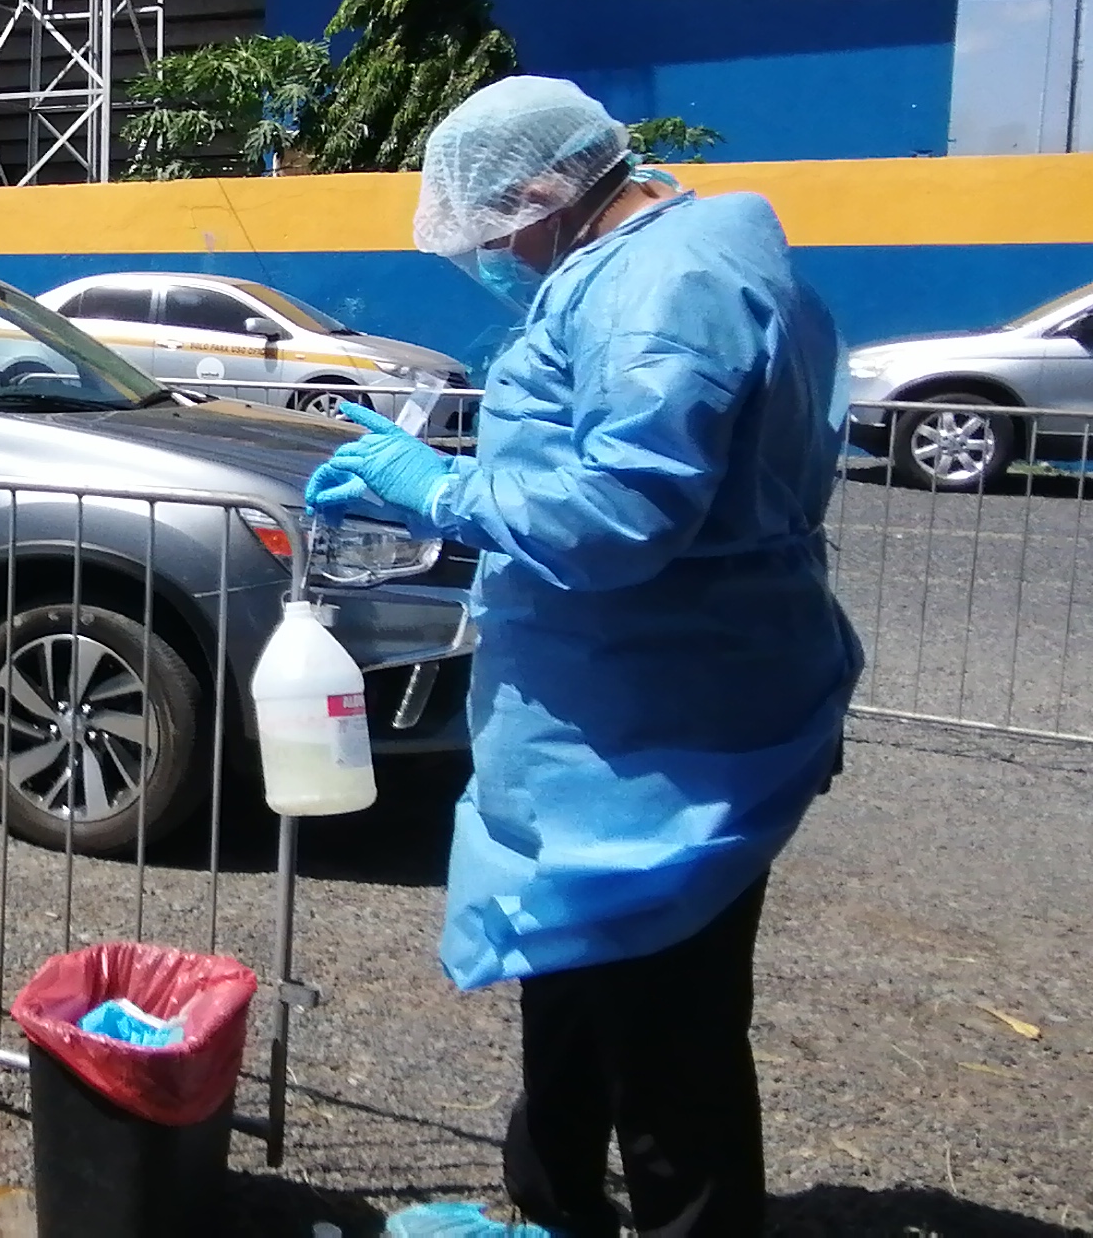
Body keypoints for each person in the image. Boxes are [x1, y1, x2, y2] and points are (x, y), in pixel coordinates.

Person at [310, 77, 862, 1238]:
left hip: (661, 728)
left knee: (668, 1028)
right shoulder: (677, 265)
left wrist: (441, 491)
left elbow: (619, 518)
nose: (494, 258)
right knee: (576, 978)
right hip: (633, 702)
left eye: (493, 230)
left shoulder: (664, 290)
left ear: (546, 191)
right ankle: (553, 1204)